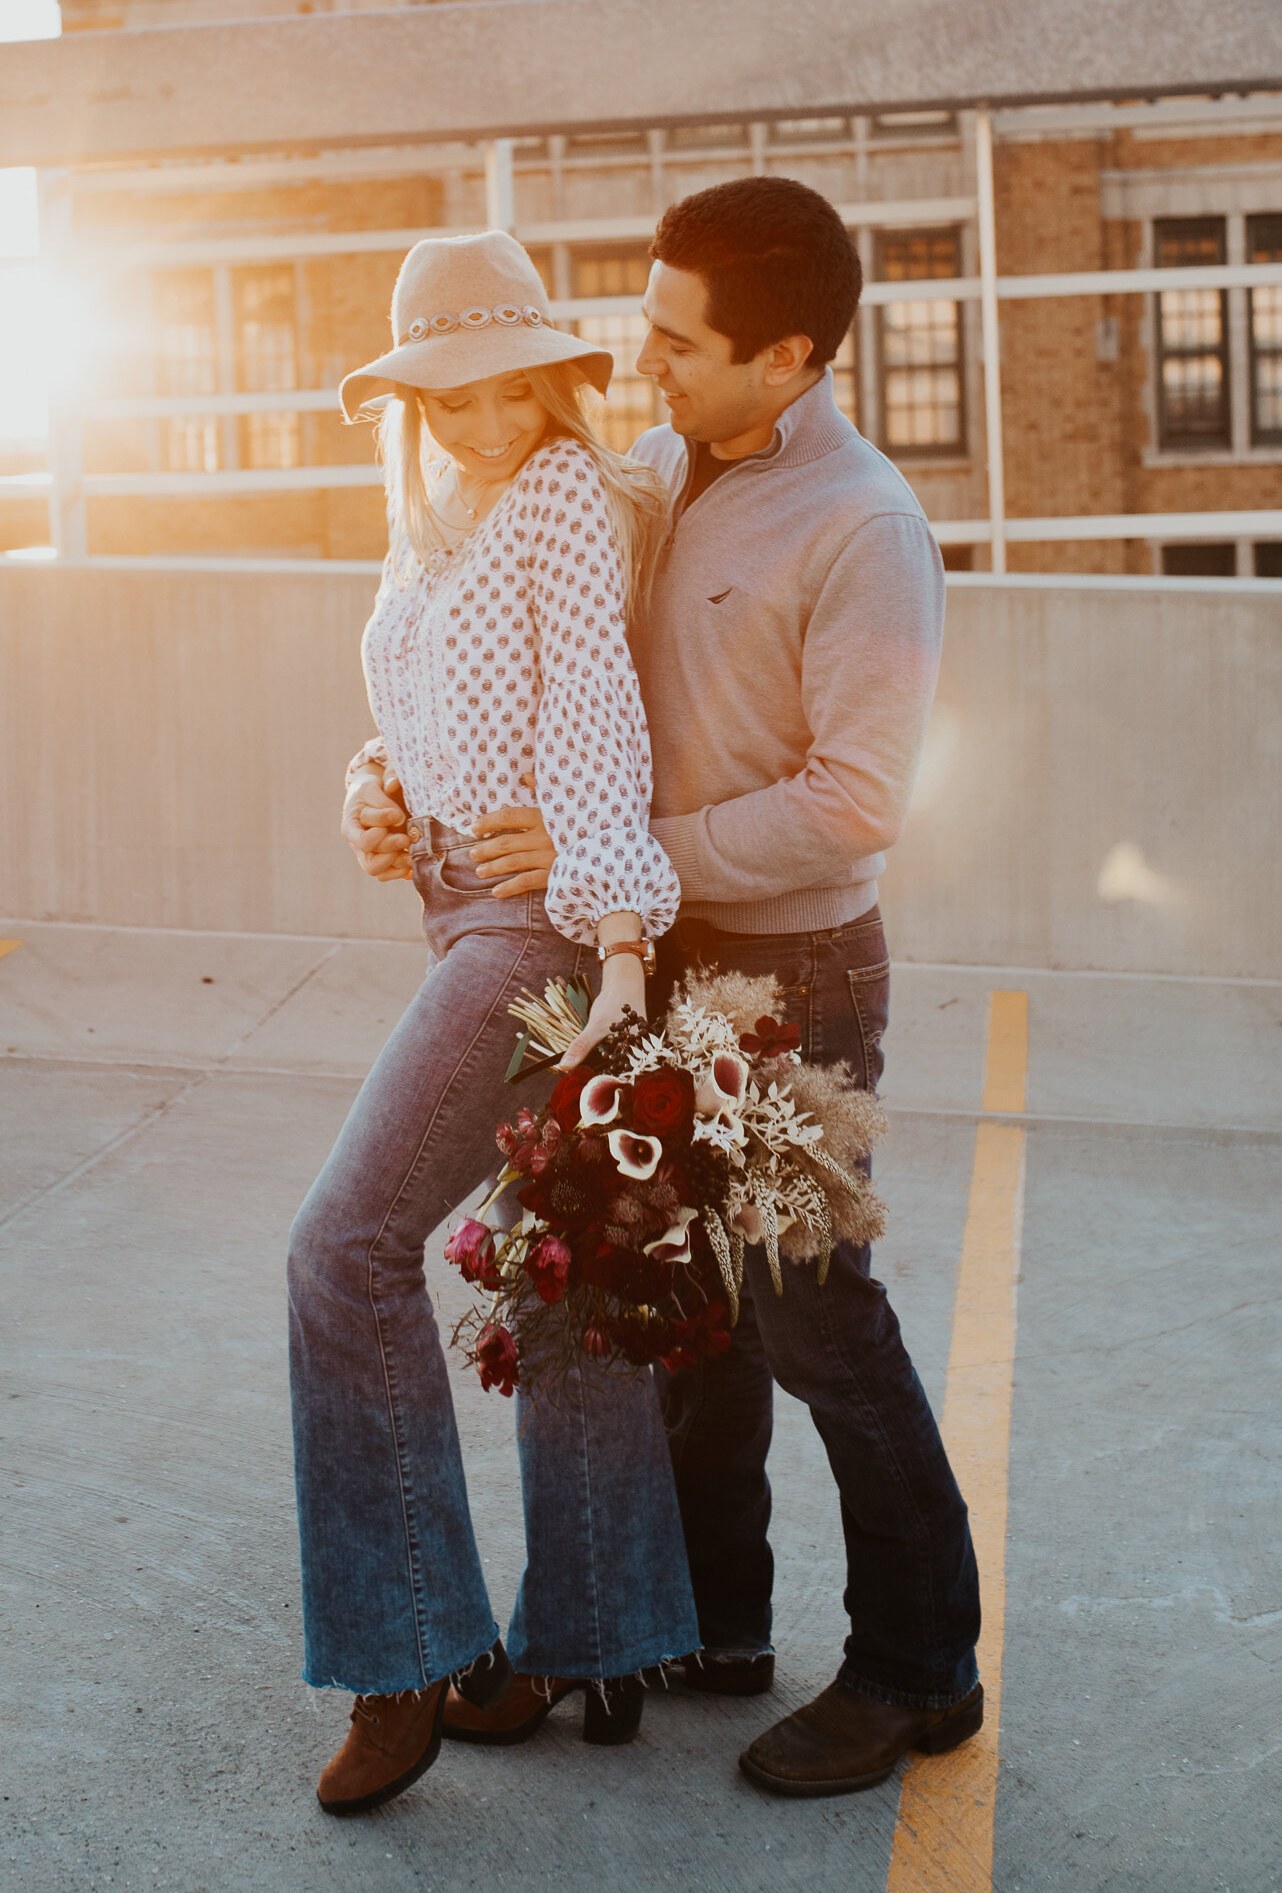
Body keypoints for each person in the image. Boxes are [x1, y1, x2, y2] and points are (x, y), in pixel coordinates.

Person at [345, 177, 982, 1800]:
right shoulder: (638, 473)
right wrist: (388, 769)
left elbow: (855, 801)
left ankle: (921, 1664)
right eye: (641, 322)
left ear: (787, 356)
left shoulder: (864, 527)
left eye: (679, 342)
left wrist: (619, 846)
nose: (643, 361)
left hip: (791, 978)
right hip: (651, 954)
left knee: (811, 1318)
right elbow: (502, 660)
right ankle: (714, 1619)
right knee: (677, 1319)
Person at [289, 228, 698, 1818]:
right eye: (446, 399)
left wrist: (615, 940)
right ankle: (592, 1637)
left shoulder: (555, 503)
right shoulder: (427, 514)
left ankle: (400, 1660)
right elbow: (431, 706)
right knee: (561, 1266)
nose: (480, 421)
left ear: (552, 380)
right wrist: (372, 788)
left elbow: (591, 704)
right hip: (456, 903)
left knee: (340, 1250)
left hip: (538, 930)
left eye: (510, 390)